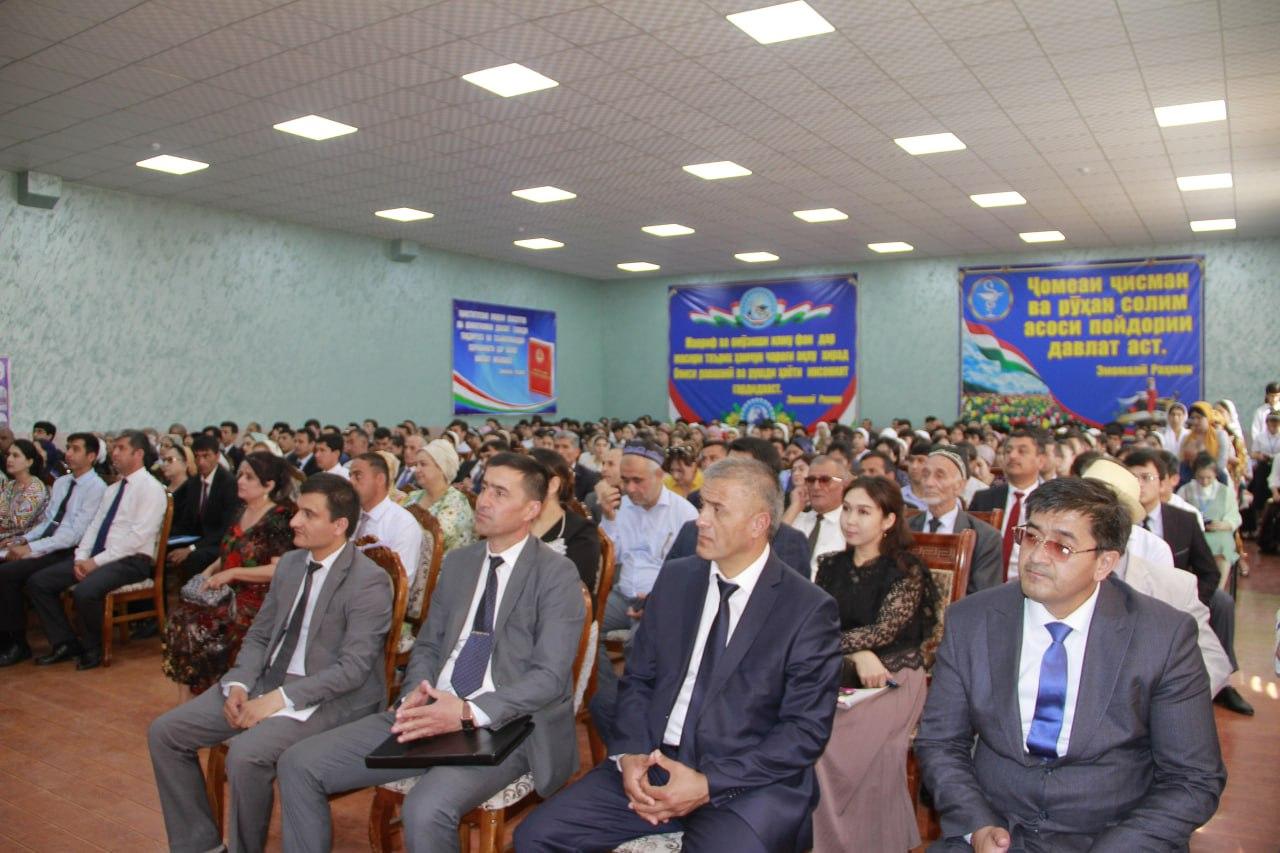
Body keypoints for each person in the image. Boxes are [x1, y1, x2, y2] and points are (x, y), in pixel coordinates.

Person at [516, 457, 842, 853]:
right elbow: (639, 679)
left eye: (717, 510)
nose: (700, 520)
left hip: (747, 784)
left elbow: (804, 730)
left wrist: (708, 783)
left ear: (758, 524)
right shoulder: (678, 578)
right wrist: (630, 754)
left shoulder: (806, 608)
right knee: (536, 837)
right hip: (654, 761)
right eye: (703, 505)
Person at [275, 453, 584, 853]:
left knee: (425, 808)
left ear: (531, 509)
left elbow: (549, 677)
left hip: (506, 723)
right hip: (431, 708)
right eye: (484, 488)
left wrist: (467, 712)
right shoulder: (459, 563)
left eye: (500, 493)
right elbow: (429, 645)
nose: (483, 500)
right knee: (298, 764)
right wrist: (415, 693)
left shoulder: (556, 574)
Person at [915, 477, 1226, 851]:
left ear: (1104, 563)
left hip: (1115, 835)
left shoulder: (1162, 636)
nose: (1036, 556)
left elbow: (1193, 779)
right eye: (1031, 537)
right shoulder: (972, 620)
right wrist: (977, 824)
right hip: (996, 826)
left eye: (1061, 547)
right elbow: (941, 741)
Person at [148, 473, 392, 853]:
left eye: (309, 514)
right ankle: (201, 846)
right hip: (266, 680)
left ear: (339, 525)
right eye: (297, 511)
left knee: (247, 755)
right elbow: (260, 635)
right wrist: (240, 684)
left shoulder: (369, 581)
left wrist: (277, 700)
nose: (294, 521)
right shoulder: (292, 564)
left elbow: (352, 670)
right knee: (166, 732)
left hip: (330, 696)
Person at [811, 475, 938, 852]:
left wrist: (851, 649)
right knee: (804, 729)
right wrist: (854, 653)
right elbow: (815, 626)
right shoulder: (830, 565)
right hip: (842, 673)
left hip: (893, 676)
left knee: (831, 743)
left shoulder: (906, 569)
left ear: (888, 520)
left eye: (864, 512)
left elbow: (885, 631)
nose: (850, 520)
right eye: (847, 509)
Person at [25, 430, 167, 670]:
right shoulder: (113, 489)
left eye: (121, 448)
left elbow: (136, 539)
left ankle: (94, 648)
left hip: (131, 560)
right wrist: (81, 557)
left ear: (138, 453)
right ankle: (65, 642)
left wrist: (95, 562)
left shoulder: (151, 489)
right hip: (99, 556)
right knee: (39, 582)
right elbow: (94, 527)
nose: (115, 453)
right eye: (114, 448)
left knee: (86, 591)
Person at [161, 452, 297, 696]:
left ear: (269, 485)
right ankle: (191, 700)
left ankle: (214, 694)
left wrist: (233, 573)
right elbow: (228, 552)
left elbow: (278, 569)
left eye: (249, 477)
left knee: (203, 625)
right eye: (240, 475)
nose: (240, 481)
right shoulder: (240, 511)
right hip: (228, 590)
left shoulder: (279, 519)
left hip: (258, 599)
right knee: (182, 619)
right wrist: (208, 572)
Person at [594, 440, 698, 716]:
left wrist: (656, 601)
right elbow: (611, 558)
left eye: (637, 481)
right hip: (622, 594)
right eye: (625, 480)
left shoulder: (685, 514)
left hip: (662, 601)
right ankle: (610, 701)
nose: (629, 488)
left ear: (659, 475)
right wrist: (609, 518)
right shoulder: (622, 507)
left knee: (638, 643)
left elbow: (692, 574)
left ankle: (639, 712)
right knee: (583, 630)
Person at [0, 433, 106, 666]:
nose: (68, 453)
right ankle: (15, 638)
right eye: (68, 448)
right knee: (9, 568)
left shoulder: (96, 488)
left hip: (72, 550)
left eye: (75, 449)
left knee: (13, 575)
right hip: (49, 544)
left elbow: (73, 535)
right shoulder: (62, 482)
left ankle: (18, 643)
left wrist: (32, 548)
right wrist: (24, 540)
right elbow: (47, 522)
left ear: (91, 456)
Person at [909, 446, 1003, 593]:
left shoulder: (986, 538)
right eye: (925, 475)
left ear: (959, 486)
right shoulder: (903, 529)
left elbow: (983, 597)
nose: (929, 483)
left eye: (939, 476)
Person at [971, 428, 1048, 580]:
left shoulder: (1051, 503)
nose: (1012, 456)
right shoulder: (983, 498)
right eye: (1008, 451)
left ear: (1040, 460)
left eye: (1022, 451)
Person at [168, 433, 241, 581]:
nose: (201, 462)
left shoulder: (228, 483)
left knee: (196, 557)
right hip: (196, 536)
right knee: (162, 547)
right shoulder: (194, 482)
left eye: (206, 456)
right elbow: (185, 517)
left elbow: (226, 528)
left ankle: (194, 593)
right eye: (197, 456)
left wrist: (191, 548)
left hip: (218, 541)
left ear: (217, 456)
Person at [528, 447, 601, 591]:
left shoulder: (582, 532)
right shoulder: (516, 520)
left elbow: (574, 588)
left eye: (527, 478)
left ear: (552, 485)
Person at [348, 452, 423, 583]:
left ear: (380, 479)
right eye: (350, 476)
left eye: (358, 476)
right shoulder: (350, 515)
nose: (350, 482)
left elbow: (399, 582)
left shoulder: (403, 524)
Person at [783, 454, 849, 580]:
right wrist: (795, 506)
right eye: (811, 480)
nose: (816, 486)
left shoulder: (849, 525)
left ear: (843, 485)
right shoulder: (796, 518)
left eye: (825, 480)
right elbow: (772, 549)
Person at [0, 439, 49, 541]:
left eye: (15, 456)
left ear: (29, 462)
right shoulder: (10, 485)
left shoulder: (35, 488)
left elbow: (18, 523)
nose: (9, 459)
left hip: (21, 542)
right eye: (8, 455)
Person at [553, 430, 601, 503]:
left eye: (565, 447)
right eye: (556, 447)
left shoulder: (590, 477)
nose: (559, 451)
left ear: (577, 452)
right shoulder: (545, 473)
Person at [1247, 381, 1280, 451]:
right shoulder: (1260, 411)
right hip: (1263, 447)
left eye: (1277, 396)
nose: (1274, 399)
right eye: (1272, 396)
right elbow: (1255, 431)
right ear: (1267, 395)